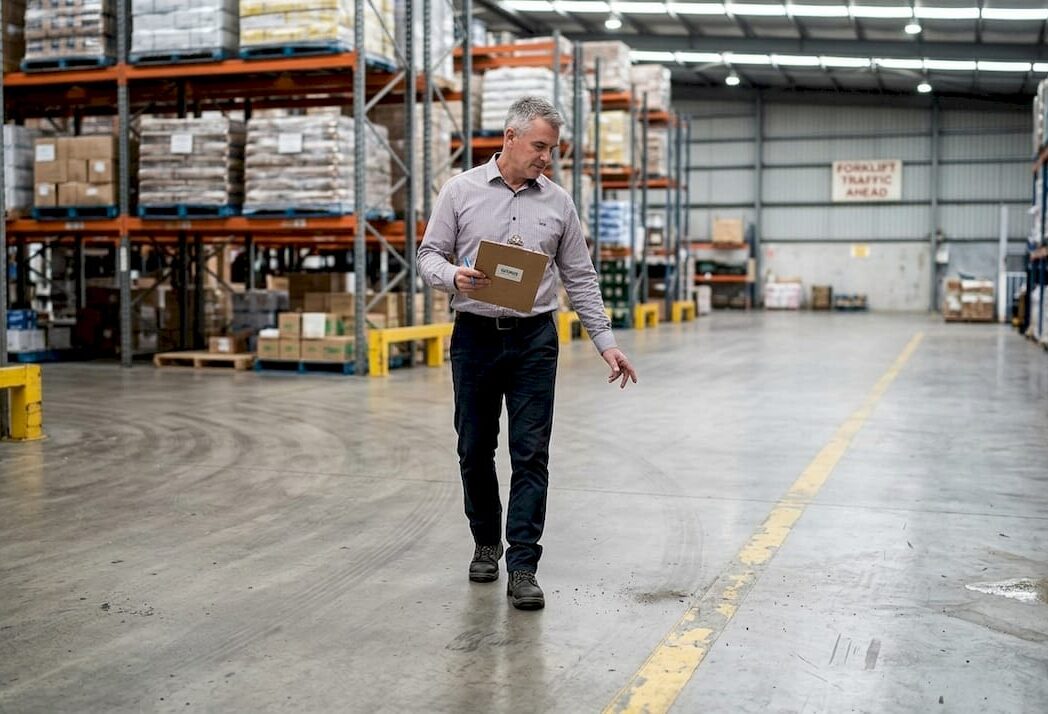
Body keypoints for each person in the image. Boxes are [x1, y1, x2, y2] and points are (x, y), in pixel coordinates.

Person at [417, 95, 638, 611]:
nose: (547, 157)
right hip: (474, 336)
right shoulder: (460, 191)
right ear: (510, 137)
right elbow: (428, 255)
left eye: (553, 149)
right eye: (540, 146)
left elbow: (580, 278)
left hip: (535, 339)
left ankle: (522, 565)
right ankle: (485, 543)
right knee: (474, 449)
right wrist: (455, 277)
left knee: (530, 454)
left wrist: (606, 343)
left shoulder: (558, 202)